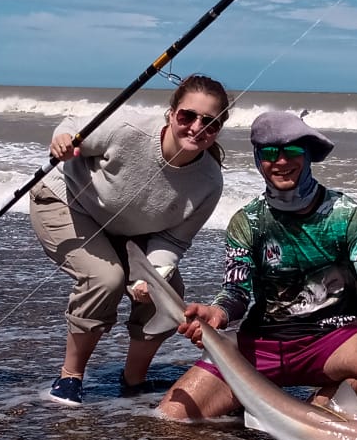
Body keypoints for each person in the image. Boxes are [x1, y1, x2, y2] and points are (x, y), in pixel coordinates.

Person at [158, 111, 357, 422]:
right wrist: (218, 313)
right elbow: (235, 292)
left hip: (335, 341)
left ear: (307, 156)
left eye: (292, 151)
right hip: (263, 343)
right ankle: (254, 399)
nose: (280, 161)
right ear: (257, 158)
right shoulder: (248, 221)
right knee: (173, 416)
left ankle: (319, 407)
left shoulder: (346, 215)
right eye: (269, 153)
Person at [30, 74, 231, 405]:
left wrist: (154, 274)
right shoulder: (128, 128)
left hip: (130, 230)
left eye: (210, 123)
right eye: (188, 116)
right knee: (106, 279)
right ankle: (69, 379)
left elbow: (173, 239)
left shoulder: (209, 182)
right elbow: (70, 128)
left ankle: (133, 380)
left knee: (167, 294)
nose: (197, 127)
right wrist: (62, 141)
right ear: (171, 113)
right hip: (66, 201)